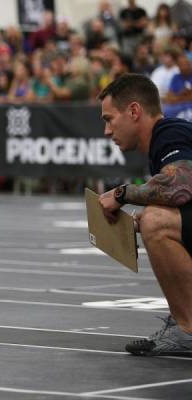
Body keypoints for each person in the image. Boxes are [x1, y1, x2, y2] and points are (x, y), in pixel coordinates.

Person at [98, 73, 192, 356]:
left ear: (134, 111)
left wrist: (121, 194)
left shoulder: (169, 133)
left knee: (155, 222)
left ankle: (187, 330)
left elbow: (181, 186)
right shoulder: (166, 141)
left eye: (109, 119)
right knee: (153, 217)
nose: (107, 131)